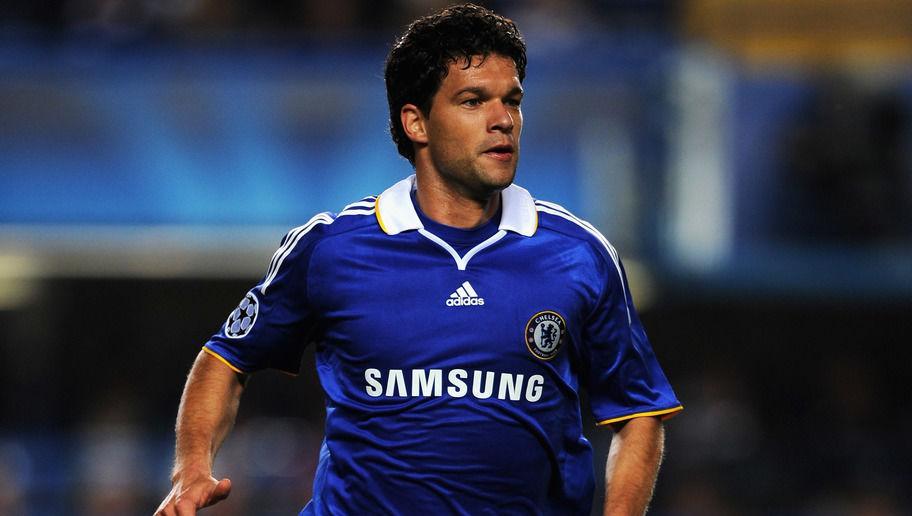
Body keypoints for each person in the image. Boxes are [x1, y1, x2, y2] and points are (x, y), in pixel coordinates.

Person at [154, 4, 681, 515]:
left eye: (512, 101)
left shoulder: (578, 253)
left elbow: (639, 412)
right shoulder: (332, 249)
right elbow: (227, 357)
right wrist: (191, 467)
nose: (504, 120)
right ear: (416, 122)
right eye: (474, 101)